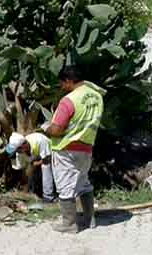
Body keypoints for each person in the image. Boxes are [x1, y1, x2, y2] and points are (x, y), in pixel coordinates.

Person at [45, 66, 105, 233]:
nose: (62, 87)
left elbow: (57, 130)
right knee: (83, 182)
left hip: (66, 147)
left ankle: (69, 224)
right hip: (86, 146)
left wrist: (46, 129)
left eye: (62, 83)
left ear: (69, 81)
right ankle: (89, 218)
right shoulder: (97, 96)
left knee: (65, 186)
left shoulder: (69, 100)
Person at [6, 132, 55, 203]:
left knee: (46, 169)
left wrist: (37, 163)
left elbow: (47, 159)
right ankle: (33, 193)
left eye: (18, 150)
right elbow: (23, 171)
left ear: (23, 146)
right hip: (35, 157)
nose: (17, 152)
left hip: (51, 155)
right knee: (30, 174)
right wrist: (25, 188)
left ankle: (48, 197)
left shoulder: (40, 140)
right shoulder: (19, 152)